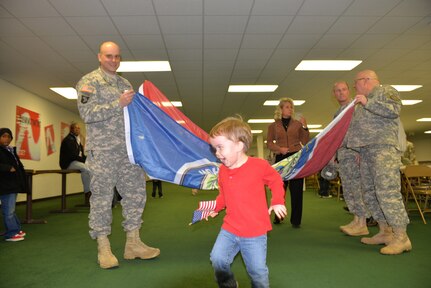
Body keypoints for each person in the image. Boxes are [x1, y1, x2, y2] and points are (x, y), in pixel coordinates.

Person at [76, 41, 160, 269]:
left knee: (136, 193)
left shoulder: (125, 83)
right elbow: (87, 113)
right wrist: (117, 103)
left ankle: (133, 243)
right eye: (109, 56)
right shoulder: (88, 82)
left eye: (117, 57)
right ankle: (103, 247)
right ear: (99, 57)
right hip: (102, 151)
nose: (114, 60)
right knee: (102, 197)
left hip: (127, 150)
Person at [207, 116, 287, 288]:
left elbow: (275, 181)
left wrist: (277, 201)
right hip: (230, 227)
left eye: (220, 147)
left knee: (257, 271)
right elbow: (224, 195)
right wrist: (216, 207)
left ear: (239, 145)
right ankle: (229, 284)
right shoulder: (222, 170)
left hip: (255, 232)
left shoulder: (259, 166)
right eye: (215, 149)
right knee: (217, 258)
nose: (217, 153)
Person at [346, 70, 411, 255]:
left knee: (387, 191)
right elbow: (359, 130)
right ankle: (385, 232)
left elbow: (394, 110)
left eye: (355, 82)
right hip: (366, 152)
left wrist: (368, 102)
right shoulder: (360, 104)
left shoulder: (385, 91)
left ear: (366, 80)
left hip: (383, 150)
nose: (354, 86)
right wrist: (358, 149)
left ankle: (402, 237)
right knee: (370, 193)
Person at [331, 81, 370, 236]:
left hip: (354, 153)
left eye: (343, 89)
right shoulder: (337, 113)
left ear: (349, 91)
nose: (341, 93)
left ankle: (362, 223)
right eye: (337, 90)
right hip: (343, 155)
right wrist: (333, 155)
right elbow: (335, 136)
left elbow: (363, 131)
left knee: (356, 188)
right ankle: (356, 219)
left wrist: (361, 152)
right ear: (334, 94)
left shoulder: (357, 107)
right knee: (348, 188)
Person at [266, 98, 309, 228]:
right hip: (281, 158)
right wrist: (279, 149)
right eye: (286, 107)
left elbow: (305, 140)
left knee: (296, 190)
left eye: (291, 107)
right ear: (280, 109)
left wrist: (305, 127)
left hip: (295, 158)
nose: (290, 109)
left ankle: (296, 221)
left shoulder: (297, 124)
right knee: (280, 189)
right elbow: (269, 143)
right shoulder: (273, 126)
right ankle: (278, 216)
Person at [0, 128, 27, 242]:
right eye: (4, 136)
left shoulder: (10, 150)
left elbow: (17, 165)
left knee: (11, 209)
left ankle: (15, 229)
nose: (7, 139)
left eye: (9, 137)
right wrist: (7, 168)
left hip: (12, 184)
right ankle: (11, 234)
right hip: (5, 185)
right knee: (9, 210)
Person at [59, 122, 91, 206]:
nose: (78, 130)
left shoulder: (77, 140)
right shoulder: (68, 140)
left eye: (79, 128)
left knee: (90, 168)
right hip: (68, 163)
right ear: (71, 129)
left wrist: (88, 159)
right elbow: (72, 155)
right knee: (85, 168)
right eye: (76, 128)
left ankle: (92, 192)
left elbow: (81, 155)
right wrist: (84, 161)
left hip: (76, 161)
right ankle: (88, 193)